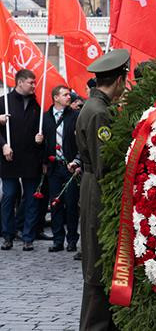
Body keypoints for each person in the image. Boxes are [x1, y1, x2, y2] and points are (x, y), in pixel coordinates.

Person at [75, 49, 129, 330]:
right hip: (97, 190)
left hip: (92, 185)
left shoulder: (95, 107)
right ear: (119, 80)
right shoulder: (99, 113)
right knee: (97, 267)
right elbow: (105, 163)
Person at [0, 69, 44, 251]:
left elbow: (44, 127)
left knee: (32, 199)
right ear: (19, 82)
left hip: (31, 158)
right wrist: (3, 145)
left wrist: (41, 139)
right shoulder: (3, 102)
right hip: (8, 158)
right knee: (9, 196)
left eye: (34, 83)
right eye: (31, 82)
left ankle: (28, 237)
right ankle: (8, 235)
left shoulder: (37, 105)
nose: (34, 86)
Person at [42, 85, 81, 252]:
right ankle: (58, 239)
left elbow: (80, 142)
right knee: (55, 203)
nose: (69, 97)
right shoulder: (45, 118)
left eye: (69, 94)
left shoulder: (75, 116)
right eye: (65, 95)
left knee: (72, 204)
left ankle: (72, 239)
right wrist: (39, 143)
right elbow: (42, 144)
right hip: (54, 167)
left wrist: (78, 163)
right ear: (55, 98)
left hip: (70, 166)